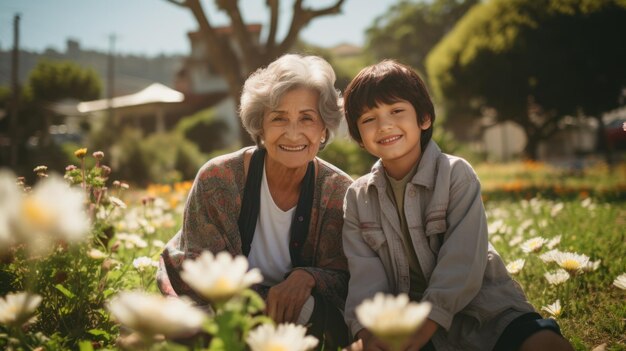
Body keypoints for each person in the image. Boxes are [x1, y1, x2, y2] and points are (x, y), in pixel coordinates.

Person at [341, 60, 574, 351]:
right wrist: (367, 332)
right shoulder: (357, 196)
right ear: (359, 137)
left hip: (483, 309)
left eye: (396, 111)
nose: (385, 124)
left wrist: (424, 328)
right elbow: (365, 276)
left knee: (547, 345)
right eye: (368, 119)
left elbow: (462, 262)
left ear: (424, 118)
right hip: (408, 319)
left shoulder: (455, 174)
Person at [157, 54, 353, 348]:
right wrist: (269, 303)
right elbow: (203, 273)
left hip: (291, 315)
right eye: (279, 118)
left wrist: (307, 277)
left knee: (310, 315)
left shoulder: (339, 192)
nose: (293, 132)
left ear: (324, 128)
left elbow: (345, 276)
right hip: (207, 301)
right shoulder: (218, 178)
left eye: (307, 118)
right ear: (260, 125)